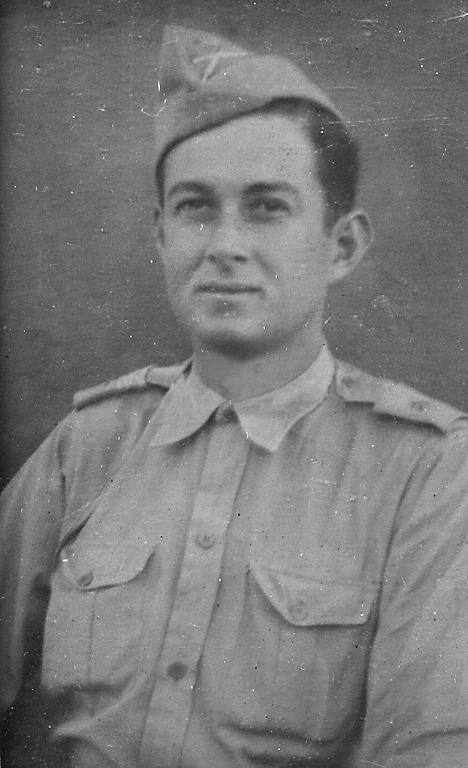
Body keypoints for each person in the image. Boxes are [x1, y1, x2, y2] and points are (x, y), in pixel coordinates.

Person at [1, 24, 468, 768]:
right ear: (161, 235)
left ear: (342, 245)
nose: (223, 245)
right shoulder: (86, 447)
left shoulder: (427, 472)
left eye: (266, 207)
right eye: (195, 208)